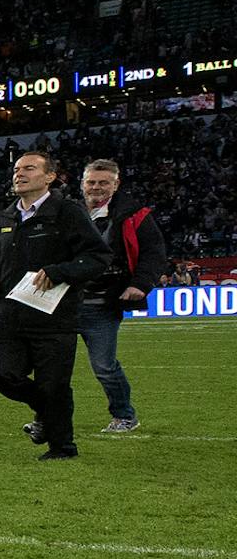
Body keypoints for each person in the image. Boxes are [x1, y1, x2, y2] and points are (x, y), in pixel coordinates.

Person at [0, 152, 110, 460]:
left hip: (54, 316)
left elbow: (97, 257)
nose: (19, 174)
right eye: (16, 169)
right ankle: (45, 411)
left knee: (54, 385)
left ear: (50, 177)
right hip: (10, 314)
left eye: (29, 168)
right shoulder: (5, 217)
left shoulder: (67, 212)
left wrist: (60, 271)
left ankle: (62, 448)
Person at [75, 157, 168, 435]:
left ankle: (125, 415)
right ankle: (49, 418)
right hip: (64, 300)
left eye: (104, 182)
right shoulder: (69, 212)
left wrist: (141, 283)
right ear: (82, 184)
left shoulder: (134, 214)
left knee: (104, 366)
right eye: (91, 182)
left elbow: (154, 252)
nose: (96, 187)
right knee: (52, 364)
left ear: (116, 185)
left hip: (102, 303)